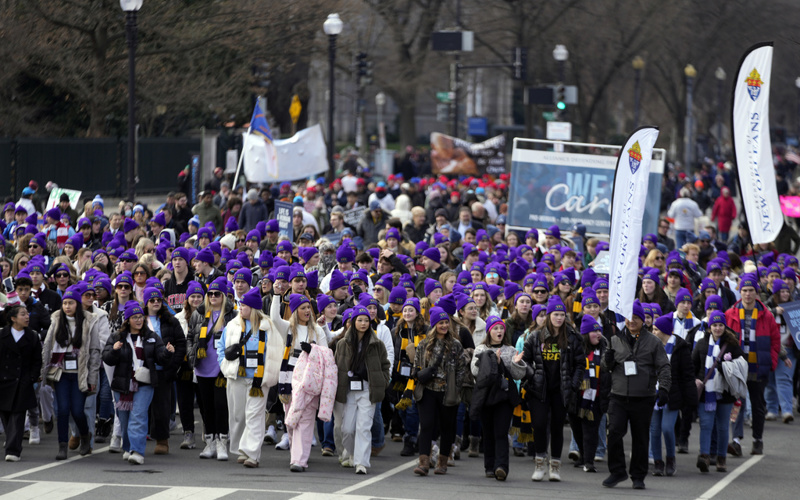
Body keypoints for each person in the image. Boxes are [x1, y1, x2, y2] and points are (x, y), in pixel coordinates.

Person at [601, 300, 671, 490]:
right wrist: (607, 361)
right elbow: (605, 366)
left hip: (643, 397)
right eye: (629, 317)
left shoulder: (654, 342)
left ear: (643, 320)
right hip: (618, 395)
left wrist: (664, 388)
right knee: (614, 432)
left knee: (640, 438)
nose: (632, 321)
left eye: (636, 318)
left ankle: (638, 475)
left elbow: (664, 366)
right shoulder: (614, 340)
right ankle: (617, 471)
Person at [521, 296, 584, 482]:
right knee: (539, 425)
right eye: (555, 314)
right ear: (549, 316)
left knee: (557, 427)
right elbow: (525, 360)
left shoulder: (572, 337)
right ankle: (540, 462)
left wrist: (573, 385)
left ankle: (555, 466)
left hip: (561, 390)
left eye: (562, 315)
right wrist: (533, 376)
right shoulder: (535, 336)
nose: (559, 318)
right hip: (539, 389)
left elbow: (580, 364)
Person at [103, 301, 174, 465]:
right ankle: (128, 448)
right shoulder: (117, 337)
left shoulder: (151, 337)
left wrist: (168, 353)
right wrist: (114, 350)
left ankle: (137, 451)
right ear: (127, 320)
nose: (139, 320)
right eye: (135, 317)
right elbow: (107, 359)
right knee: (125, 419)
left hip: (144, 383)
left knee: (138, 416)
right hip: (122, 384)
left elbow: (160, 357)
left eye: (141, 317)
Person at [218, 287, 283, 468]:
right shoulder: (232, 325)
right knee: (238, 415)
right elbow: (221, 348)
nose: (240, 308)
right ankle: (241, 449)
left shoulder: (268, 327)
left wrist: (269, 376)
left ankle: (252, 454)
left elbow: (277, 352)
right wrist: (224, 366)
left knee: (254, 416)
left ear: (253, 308)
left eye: (244, 305)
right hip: (236, 376)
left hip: (258, 380)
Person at [40, 285, 102, 460]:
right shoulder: (56, 320)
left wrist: (92, 378)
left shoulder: (90, 322)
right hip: (60, 372)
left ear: (78, 304)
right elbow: (47, 347)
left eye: (71, 303)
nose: (67, 306)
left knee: (77, 410)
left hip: (79, 373)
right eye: (65, 303)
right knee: (62, 411)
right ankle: (62, 446)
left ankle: (84, 435)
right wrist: (43, 372)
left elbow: (95, 352)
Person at [724, 273, 782, 456]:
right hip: (737, 366)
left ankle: (758, 440)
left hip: (758, 366)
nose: (747, 294)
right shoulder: (730, 314)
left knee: (757, 405)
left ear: (757, 293)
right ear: (740, 292)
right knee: (737, 404)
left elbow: (775, 340)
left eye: (751, 291)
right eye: (744, 290)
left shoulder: (767, 315)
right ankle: (736, 440)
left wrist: (771, 362)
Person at [334, 305, 391, 475]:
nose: (363, 323)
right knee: (347, 429)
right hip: (348, 389)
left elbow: (385, 366)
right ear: (353, 322)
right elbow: (336, 366)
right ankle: (350, 453)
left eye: (366, 320)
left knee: (364, 427)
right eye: (360, 320)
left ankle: (361, 463)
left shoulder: (377, 344)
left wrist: (382, 381)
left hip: (368, 389)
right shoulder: (343, 343)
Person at [470, 316, 526, 480]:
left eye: (501, 328)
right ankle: (489, 466)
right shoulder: (480, 349)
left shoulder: (510, 349)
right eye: (495, 328)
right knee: (488, 433)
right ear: (489, 331)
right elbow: (474, 371)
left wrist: (516, 363)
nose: (499, 331)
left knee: (501, 432)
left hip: (503, 397)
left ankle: (501, 467)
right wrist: (493, 362)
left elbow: (517, 375)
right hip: (486, 397)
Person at [412, 307, 467, 476]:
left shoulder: (456, 345)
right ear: (434, 325)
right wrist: (419, 375)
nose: (444, 326)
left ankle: (442, 461)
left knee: (447, 427)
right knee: (426, 425)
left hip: (447, 391)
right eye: (440, 323)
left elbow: (461, 369)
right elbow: (417, 366)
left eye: (446, 323)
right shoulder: (423, 344)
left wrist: (455, 388)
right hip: (427, 390)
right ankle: (424, 462)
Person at [188, 277, 236, 460]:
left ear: (224, 296)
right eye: (210, 294)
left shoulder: (231, 315)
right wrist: (192, 354)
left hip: (222, 367)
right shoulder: (198, 314)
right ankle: (210, 442)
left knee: (221, 406)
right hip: (202, 366)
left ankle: (222, 442)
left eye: (217, 294)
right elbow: (190, 336)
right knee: (206, 407)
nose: (213, 297)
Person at [693, 310, 745, 473]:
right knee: (706, 425)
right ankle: (705, 457)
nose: (717, 328)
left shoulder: (732, 345)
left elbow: (741, 366)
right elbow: (692, 366)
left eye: (720, 325)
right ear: (709, 327)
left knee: (723, 427)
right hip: (706, 392)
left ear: (724, 326)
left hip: (725, 392)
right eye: (714, 325)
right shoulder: (701, 343)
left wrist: (726, 367)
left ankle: (721, 458)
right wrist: (696, 379)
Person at [650, 313, 696, 477]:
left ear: (665, 331)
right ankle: (657, 462)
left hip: (672, 395)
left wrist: (690, 399)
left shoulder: (680, 347)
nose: (653, 332)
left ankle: (670, 458)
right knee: (654, 430)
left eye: (656, 329)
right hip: (654, 395)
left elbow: (687, 375)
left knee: (667, 428)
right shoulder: (652, 346)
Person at [142, 287, 186, 455]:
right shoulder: (138, 319)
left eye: (158, 300)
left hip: (164, 371)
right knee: (141, 409)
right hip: (144, 371)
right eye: (152, 300)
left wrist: (172, 366)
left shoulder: (170, 320)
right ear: (146, 303)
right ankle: (137, 440)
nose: (155, 303)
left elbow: (181, 343)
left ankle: (162, 440)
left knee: (162, 408)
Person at [0, 305, 42, 462]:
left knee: (18, 416)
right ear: (13, 318)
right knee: (6, 416)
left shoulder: (32, 336)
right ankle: (11, 442)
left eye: (27, 314)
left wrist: (32, 377)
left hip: (22, 382)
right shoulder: (2, 335)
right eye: (23, 314)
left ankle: (13, 450)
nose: (27, 317)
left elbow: (37, 360)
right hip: (3, 381)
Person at [570, 315, 610, 473]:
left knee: (590, 431)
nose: (598, 334)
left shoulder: (605, 350)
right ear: (586, 334)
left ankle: (589, 461)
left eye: (599, 331)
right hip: (576, 397)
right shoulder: (575, 349)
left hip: (596, 398)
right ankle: (583, 456)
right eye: (594, 332)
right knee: (577, 429)